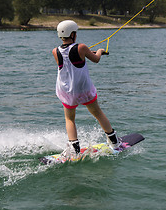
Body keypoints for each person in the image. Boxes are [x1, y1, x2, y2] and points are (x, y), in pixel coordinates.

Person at [52, 20, 121, 156]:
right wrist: (100, 51)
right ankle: (113, 141)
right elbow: (95, 59)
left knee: (70, 118)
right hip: (83, 90)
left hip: (66, 91)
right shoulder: (81, 47)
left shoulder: (55, 51)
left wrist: (85, 53)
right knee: (97, 113)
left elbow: (68, 62)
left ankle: (74, 148)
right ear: (73, 34)